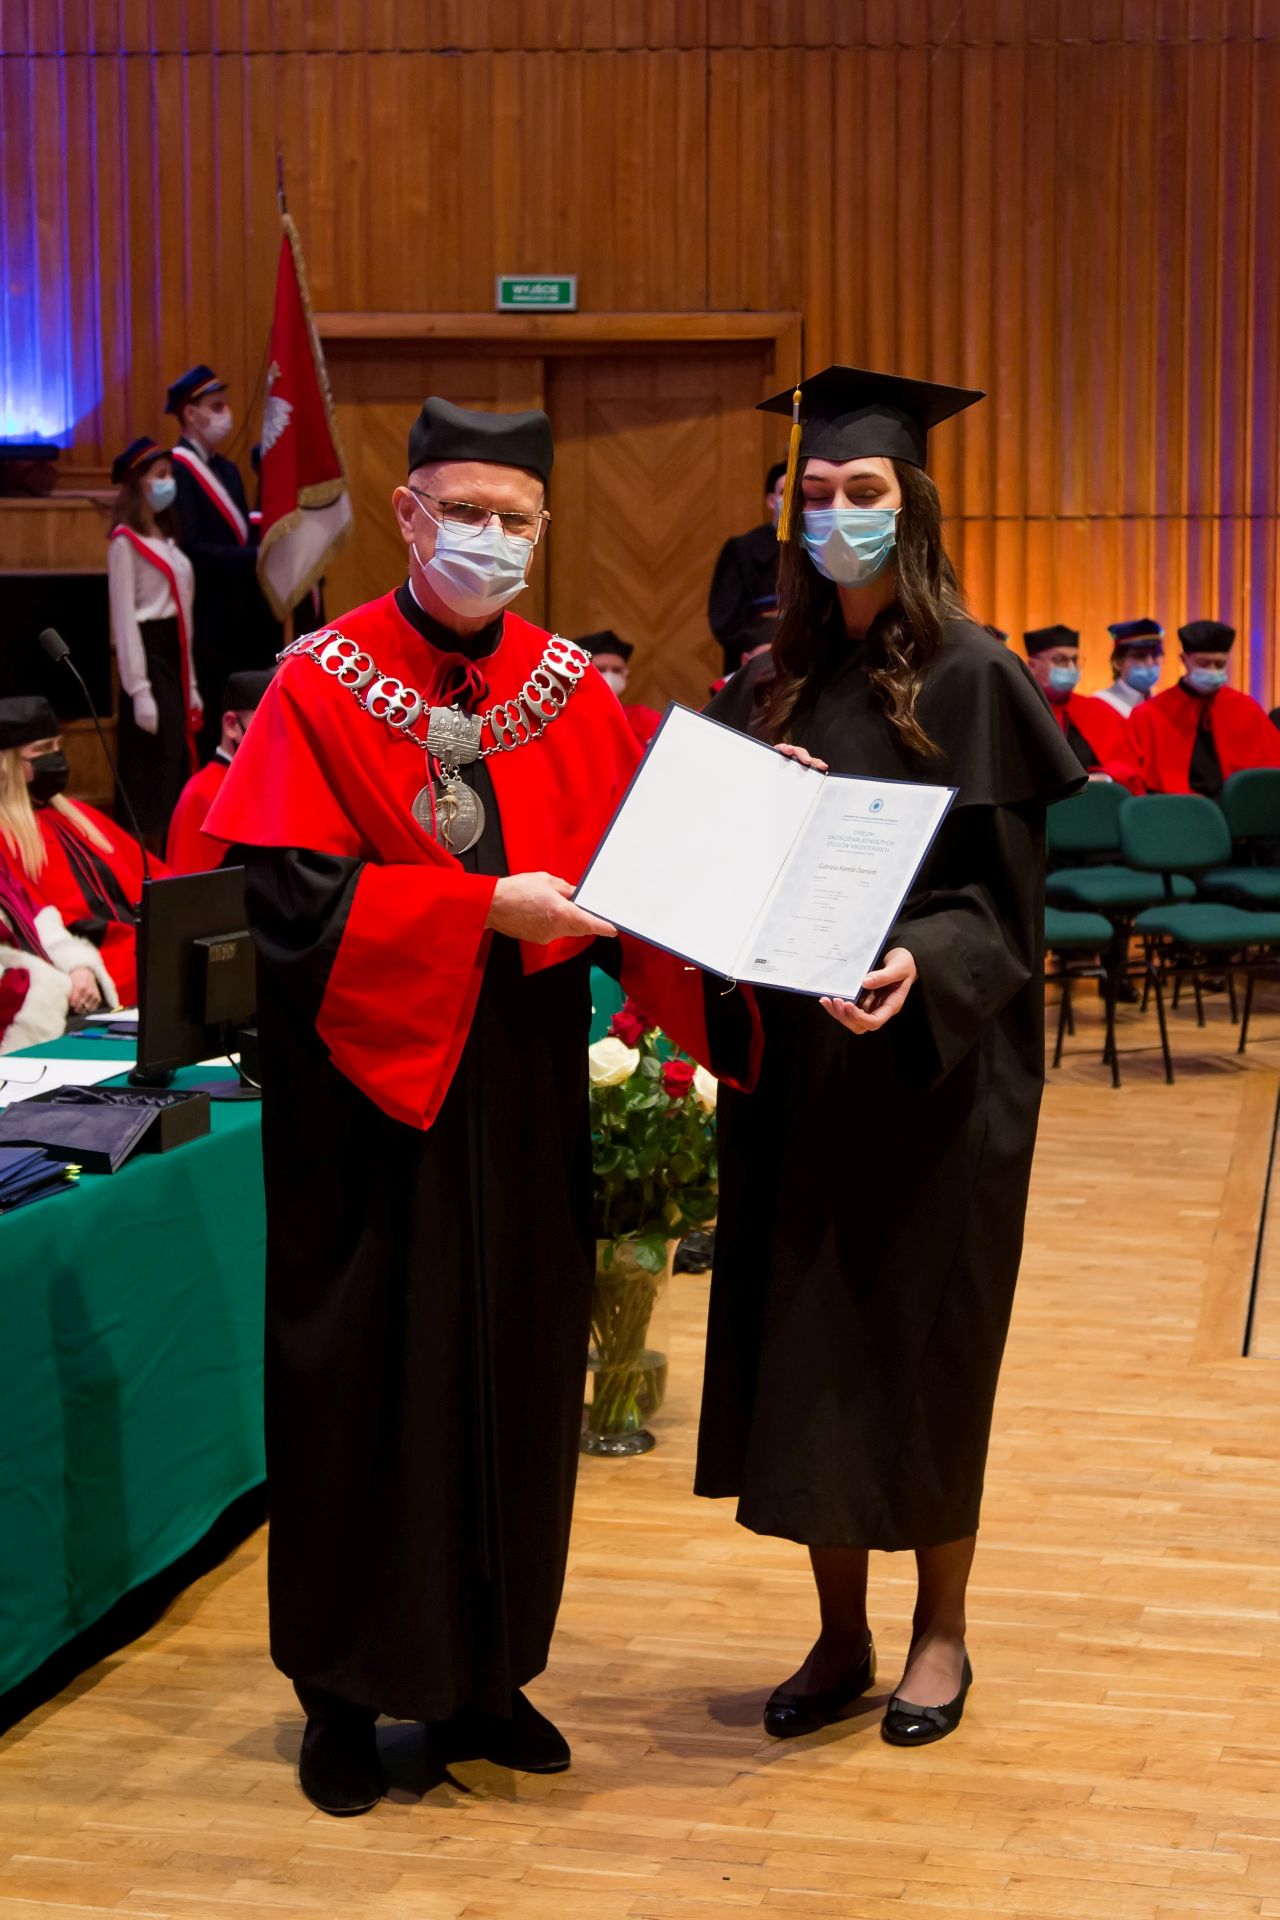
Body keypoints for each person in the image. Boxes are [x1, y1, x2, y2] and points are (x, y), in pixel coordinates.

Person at [204, 396, 710, 1817]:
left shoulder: (571, 688)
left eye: (513, 518)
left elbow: (645, 862)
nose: (488, 537)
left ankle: (487, 1678)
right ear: (408, 515)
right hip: (366, 1102)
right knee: (361, 1380)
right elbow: (284, 903)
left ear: (543, 530)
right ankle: (340, 1695)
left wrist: (756, 822)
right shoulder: (320, 682)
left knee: (515, 1371)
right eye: (464, 512)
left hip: (523, 1085)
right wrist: (477, 908)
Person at [696, 365, 1083, 1750]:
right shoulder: (769, 683)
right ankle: (838, 1632)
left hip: (933, 1079)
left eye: (862, 490)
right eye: (815, 493)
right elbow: (720, 874)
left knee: (926, 1348)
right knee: (812, 1355)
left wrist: (919, 957)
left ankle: (941, 1631)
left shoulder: (974, 675)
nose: (836, 514)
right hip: (802, 1078)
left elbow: (1003, 907)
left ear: (910, 505)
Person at [0, 697, 162, 1007]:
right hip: (93, 963)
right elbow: (31, 921)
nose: (56, 757)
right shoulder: (5, 837)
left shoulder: (77, 815)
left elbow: (157, 876)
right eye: (43, 749)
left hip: (139, 945)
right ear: (7, 765)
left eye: (58, 746)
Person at [166, 364, 266, 755]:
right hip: (206, 610)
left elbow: (239, 530)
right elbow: (190, 546)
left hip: (238, 609)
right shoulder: (177, 469)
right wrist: (251, 558)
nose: (226, 415)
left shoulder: (227, 469)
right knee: (214, 703)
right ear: (191, 414)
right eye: (216, 406)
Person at [107, 436, 201, 846]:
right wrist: (139, 690)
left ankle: (171, 854)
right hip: (148, 657)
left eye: (170, 475)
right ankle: (142, 857)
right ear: (139, 484)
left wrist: (191, 683)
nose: (168, 483)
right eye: (160, 475)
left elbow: (185, 617)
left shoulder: (166, 538)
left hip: (174, 653)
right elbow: (124, 619)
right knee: (150, 770)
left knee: (174, 764)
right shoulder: (124, 542)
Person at [1127, 620, 1280, 797]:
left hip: (1237, 806)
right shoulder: (1149, 713)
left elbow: (1270, 771)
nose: (1212, 670)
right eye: (1203, 663)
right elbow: (1132, 775)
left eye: (1219, 664)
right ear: (1184, 660)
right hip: (1174, 807)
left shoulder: (1247, 709)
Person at [0, 856, 118, 1051]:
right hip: (20, 1024)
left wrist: (78, 965)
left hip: (53, 1005)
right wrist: (50, 986)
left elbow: (37, 918)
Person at [165, 670, 274, 873]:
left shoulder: (271, 785)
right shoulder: (201, 795)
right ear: (231, 725)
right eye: (268, 724)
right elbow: (188, 885)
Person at [1022, 625, 1142, 790]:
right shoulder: (1017, 708)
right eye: (1060, 660)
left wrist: (1103, 777)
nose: (1071, 668)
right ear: (1032, 666)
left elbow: (1126, 766)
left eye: (1075, 660)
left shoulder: (1098, 710)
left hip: (1090, 797)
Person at [707, 461, 786, 672]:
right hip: (755, 660)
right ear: (771, 501)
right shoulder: (742, 550)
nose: (791, 499)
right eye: (784, 492)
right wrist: (763, 642)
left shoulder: (820, 548)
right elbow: (725, 622)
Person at [577, 631, 662, 747]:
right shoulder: (564, 720)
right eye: (600, 669)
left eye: (616, 670)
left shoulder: (641, 718)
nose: (609, 675)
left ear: (626, 675)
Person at [1093, 617, 1164, 719]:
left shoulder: (1163, 705)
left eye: (1156, 654)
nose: (1149, 662)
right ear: (1118, 662)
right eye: (1140, 656)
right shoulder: (1100, 704)